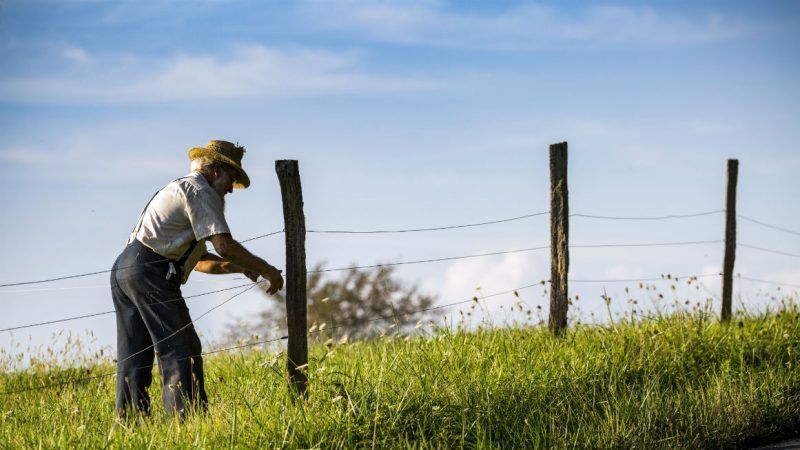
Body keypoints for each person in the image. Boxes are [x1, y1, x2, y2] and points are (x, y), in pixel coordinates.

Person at [110, 140, 284, 419]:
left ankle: (129, 424)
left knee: (135, 354)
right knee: (181, 349)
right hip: (151, 270)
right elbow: (224, 246)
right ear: (216, 170)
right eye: (231, 178)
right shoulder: (201, 192)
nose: (230, 188)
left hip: (126, 268)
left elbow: (201, 261)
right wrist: (267, 268)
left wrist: (241, 268)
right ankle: (186, 425)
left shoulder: (180, 188)